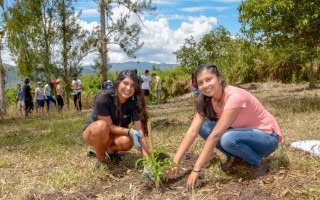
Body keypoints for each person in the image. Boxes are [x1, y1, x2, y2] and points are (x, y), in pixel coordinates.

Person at [165, 64, 282, 189]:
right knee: (204, 127)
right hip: (241, 134)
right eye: (201, 82)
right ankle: (236, 157)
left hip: (267, 138)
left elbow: (215, 135)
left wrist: (196, 169)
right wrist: (175, 161)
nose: (205, 85)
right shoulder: (205, 100)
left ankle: (258, 162)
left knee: (227, 138)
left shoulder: (234, 96)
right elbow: (192, 131)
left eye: (209, 79)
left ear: (219, 79)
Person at [82, 70, 150, 171]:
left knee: (127, 141)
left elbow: (139, 131)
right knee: (101, 126)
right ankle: (101, 160)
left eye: (132, 85)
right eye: (125, 83)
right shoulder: (103, 98)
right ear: (118, 83)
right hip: (95, 133)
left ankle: (110, 151)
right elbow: (108, 126)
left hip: (113, 135)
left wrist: (147, 162)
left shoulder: (134, 103)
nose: (128, 88)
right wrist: (130, 131)